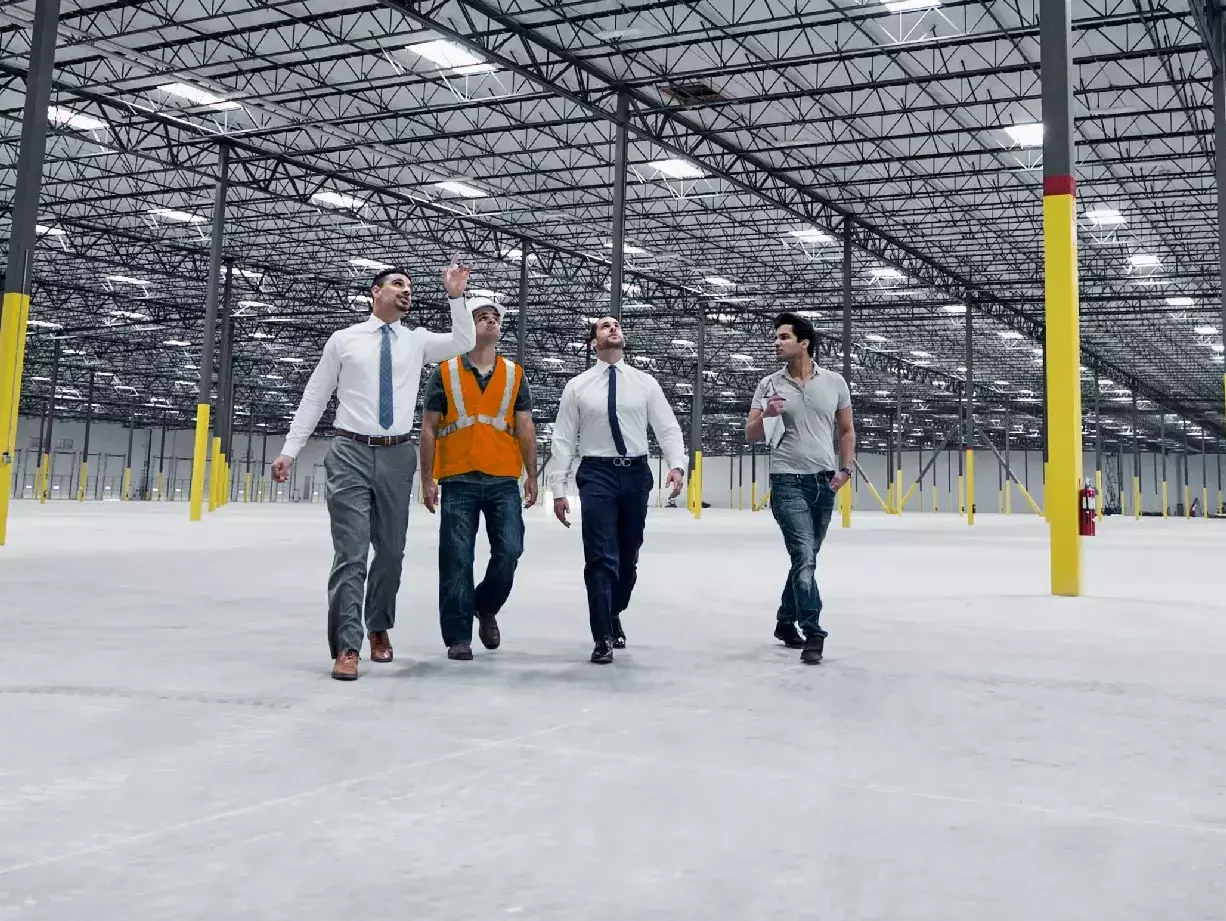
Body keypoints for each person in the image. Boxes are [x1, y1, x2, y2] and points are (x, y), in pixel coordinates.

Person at [271, 258, 476, 680]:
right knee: (351, 554)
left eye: (411, 287)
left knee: (392, 551)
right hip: (349, 451)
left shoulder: (416, 341)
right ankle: (347, 646)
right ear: (375, 293)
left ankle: (378, 624)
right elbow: (315, 397)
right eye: (398, 284)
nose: (406, 291)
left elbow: (462, 340)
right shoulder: (344, 341)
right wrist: (290, 450)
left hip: (397, 454)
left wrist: (456, 296)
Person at [550, 316, 687, 664]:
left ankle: (614, 609)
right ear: (593, 342)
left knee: (628, 558)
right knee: (600, 557)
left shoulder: (644, 383)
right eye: (603, 327)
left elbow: (667, 427)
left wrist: (677, 464)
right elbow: (564, 440)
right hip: (596, 475)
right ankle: (602, 636)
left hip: (636, 475)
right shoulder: (577, 387)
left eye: (616, 325)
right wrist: (559, 488)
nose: (612, 328)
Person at [418, 297, 538, 660]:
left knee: (510, 550)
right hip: (458, 478)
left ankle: (484, 605)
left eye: (494, 318)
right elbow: (428, 428)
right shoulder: (445, 372)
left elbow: (526, 427)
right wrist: (426, 479)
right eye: (481, 317)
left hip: (503, 478)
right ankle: (458, 637)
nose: (490, 321)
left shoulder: (515, 375)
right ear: (467, 327)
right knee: (455, 558)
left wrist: (532, 475)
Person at [745, 311, 855, 665]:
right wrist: (768, 414)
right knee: (804, 557)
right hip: (787, 480)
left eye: (783, 337)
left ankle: (783, 622)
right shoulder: (768, 385)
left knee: (804, 560)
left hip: (824, 482)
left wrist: (846, 468)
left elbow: (847, 430)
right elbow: (750, 434)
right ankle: (814, 632)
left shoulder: (835, 381)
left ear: (803, 343)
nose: (776, 343)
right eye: (776, 338)